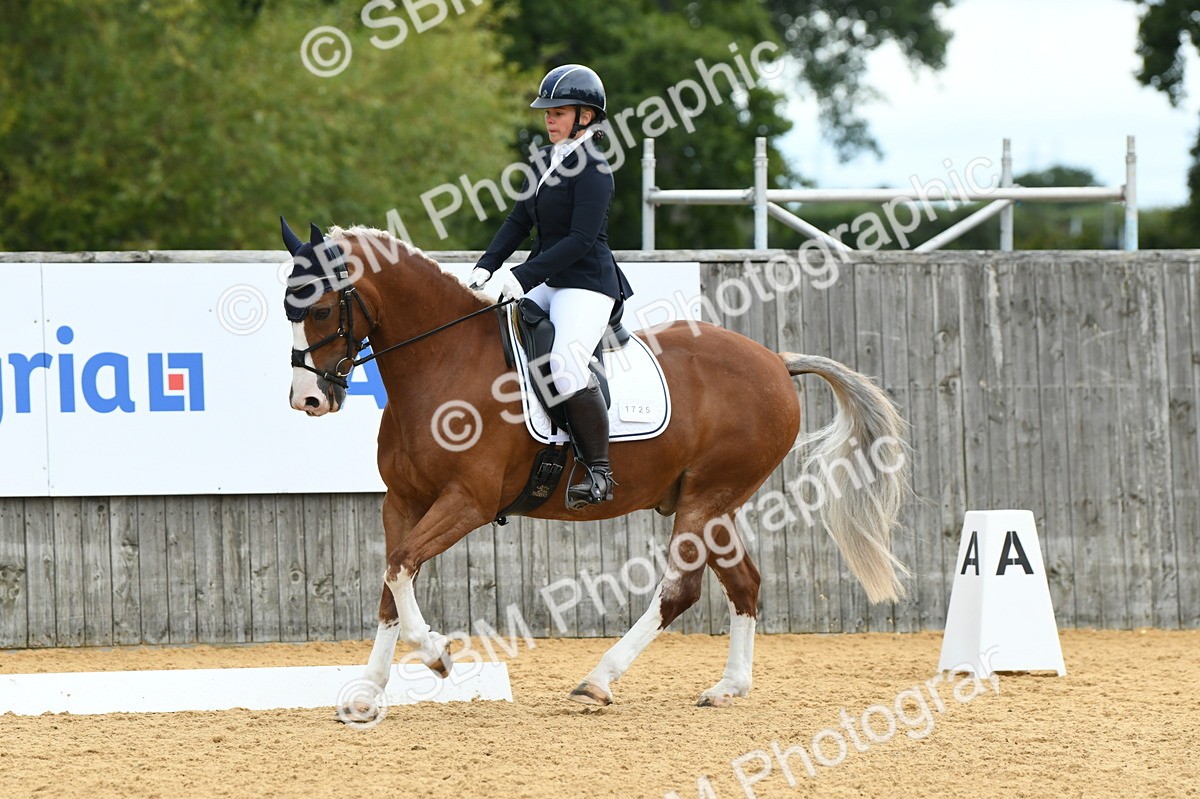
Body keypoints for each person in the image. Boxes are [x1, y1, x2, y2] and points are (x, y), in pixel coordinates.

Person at [468, 64, 633, 509]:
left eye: (558, 112)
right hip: (548, 278)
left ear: (585, 116)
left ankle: (600, 470)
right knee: (483, 324)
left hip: (587, 284)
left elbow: (580, 242)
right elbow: (519, 220)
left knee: (563, 366)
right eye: (547, 112)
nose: (549, 119)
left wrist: (520, 277)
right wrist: (486, 269)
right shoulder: (544, 159)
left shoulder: (596, 169)